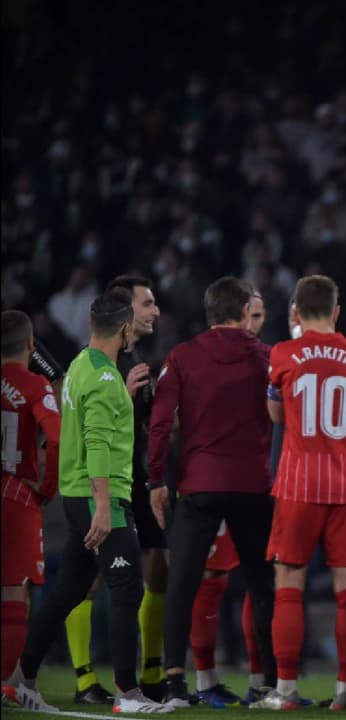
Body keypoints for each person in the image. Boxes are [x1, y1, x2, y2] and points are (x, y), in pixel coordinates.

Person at [3, 288, 172, 714]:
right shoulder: (102, 377)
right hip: (101, 497)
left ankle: (21, 680)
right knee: (127, 588)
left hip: (78, 494)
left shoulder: (81, 365)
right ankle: (127, 695)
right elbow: (96, 442)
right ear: (123, 327)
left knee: (68, 592)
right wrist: (103, 504)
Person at [252, 275, 346, 711]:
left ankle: (288, 691)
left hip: (297, 485)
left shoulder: (282, 353)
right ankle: (344, 693)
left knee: (289, 586)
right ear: (336, 312)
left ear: (295, 312)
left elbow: (275, 413)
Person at [144, 277, 278, 707]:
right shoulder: (267, 358)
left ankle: (176, 682)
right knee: (261, 584)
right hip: (253, 485)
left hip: (198, 484)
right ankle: (268, 684)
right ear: (243, 312)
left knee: (181, 584)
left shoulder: (182, 356)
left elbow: (161, 422)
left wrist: (156, 480)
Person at [105, 275, 168, 700]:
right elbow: (96, 425)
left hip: (138, 479)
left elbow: (143, 427)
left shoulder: (140, 359)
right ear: (126, 310)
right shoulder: (99, 363)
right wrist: (127, 398)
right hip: (103, 484)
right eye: (148, 303)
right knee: (96, 582)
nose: (156, 311)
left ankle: (150, 671)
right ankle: (89, 676)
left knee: (156, 566)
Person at [1, 311, 62, 682]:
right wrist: (47, 488)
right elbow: (55, 438)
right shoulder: (36, 385)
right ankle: (7, 685)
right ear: (29, 344)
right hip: (16, 494)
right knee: (12, 593)